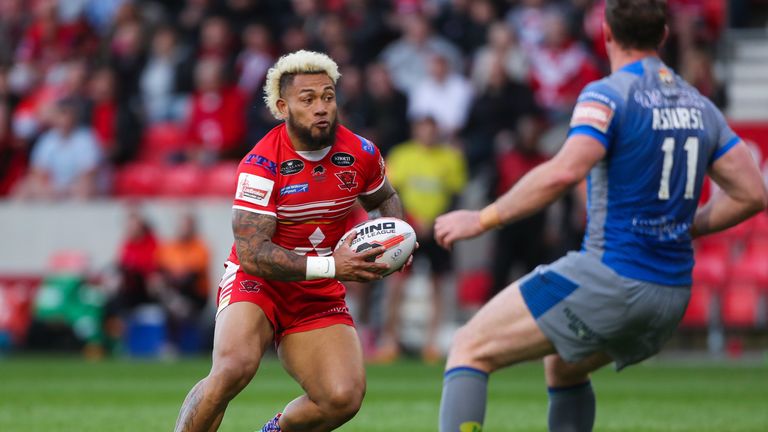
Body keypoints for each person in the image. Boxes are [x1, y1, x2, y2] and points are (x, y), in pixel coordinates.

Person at [433, 1, 768, 431]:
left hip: (611, 279)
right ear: (664, 34)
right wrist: (690, 225)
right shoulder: (699, 105)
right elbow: (752, 193)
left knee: (468, 346)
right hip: (671, 293)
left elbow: (565, 171)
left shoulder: (607, 94)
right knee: (565, 365)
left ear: (606, 32)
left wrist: (482, 219)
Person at [174, 50, 407, 432]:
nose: (321, 108)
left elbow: (383, 198)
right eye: (308, 99)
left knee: (342, 398)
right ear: (283, 107)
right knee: (233, 368)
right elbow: (252, 254)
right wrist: (334, 266)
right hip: (259, 281)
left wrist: (397, 238)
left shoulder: (362, 153)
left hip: (316, 288)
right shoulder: (260, 164)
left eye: (328, 97)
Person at [374, 115, 467, 363]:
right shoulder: (403, 155)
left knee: (439, 284)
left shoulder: (450, 158)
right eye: (422, 130)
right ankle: (389, 340)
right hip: (409, 228)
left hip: (437, 228)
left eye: (431, 130)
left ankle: (432, 343)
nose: (427, 134)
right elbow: (393, 192)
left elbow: (455, 194)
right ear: (416, 131)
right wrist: (412, 219)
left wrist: (436, 220)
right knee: (396, 283)